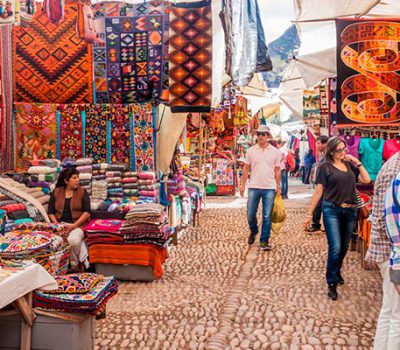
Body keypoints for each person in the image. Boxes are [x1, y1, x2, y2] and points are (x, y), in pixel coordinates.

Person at [304, 136, 370, 300]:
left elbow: (367, 179)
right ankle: (332, 282)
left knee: (344, 247)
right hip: (331, 209)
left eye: (344, 149)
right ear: (332, 151)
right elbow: (319, 191)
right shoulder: (325, 168)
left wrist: (356, 161)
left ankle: (336, 270)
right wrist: (310, 213)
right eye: (339, 150)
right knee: (335, 246)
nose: (343, 152)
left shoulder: (349, 166)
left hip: (349, 211)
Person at [365, 151, 400, 349]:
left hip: (388, 249)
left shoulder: (393, 165)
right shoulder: (395, 170)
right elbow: (391, 220)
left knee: (390, 310)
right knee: (397, 316)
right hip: (391, 250)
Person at [240, 125, 281, 251]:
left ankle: (264, 240)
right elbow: (246, 168)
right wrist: (242, 185)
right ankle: (254, 230)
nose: (260, 137)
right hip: (253, 186)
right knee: (250, 213)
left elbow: (277, 170)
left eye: (263, 134)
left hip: (269, 187)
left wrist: (278, 186)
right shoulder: (251, 151)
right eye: (258, 134)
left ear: (268, 136)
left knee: (267, 216)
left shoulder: (275, 152)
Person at [48, 167, 91, 271]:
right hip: (60, 225)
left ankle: (74, 265)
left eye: (78, 177)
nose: (77, 180)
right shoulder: (57, 192)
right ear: (66, 180)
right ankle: (57, 268)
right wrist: (57, 225)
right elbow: (51, 212)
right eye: (74, 178)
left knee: (73, 240)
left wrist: (74, 225)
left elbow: (87, 212)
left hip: (78, 224)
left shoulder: (82, 191)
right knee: (53, 242)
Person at [306, 135, 329, 232]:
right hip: (321, 183)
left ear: (325, 144)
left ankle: (318, 224)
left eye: (319, 143)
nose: (317, 146)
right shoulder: (322, 154)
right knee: (319, 204)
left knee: (322, 205)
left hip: (326, 185)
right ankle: (317, 224)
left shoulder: (328, 156)